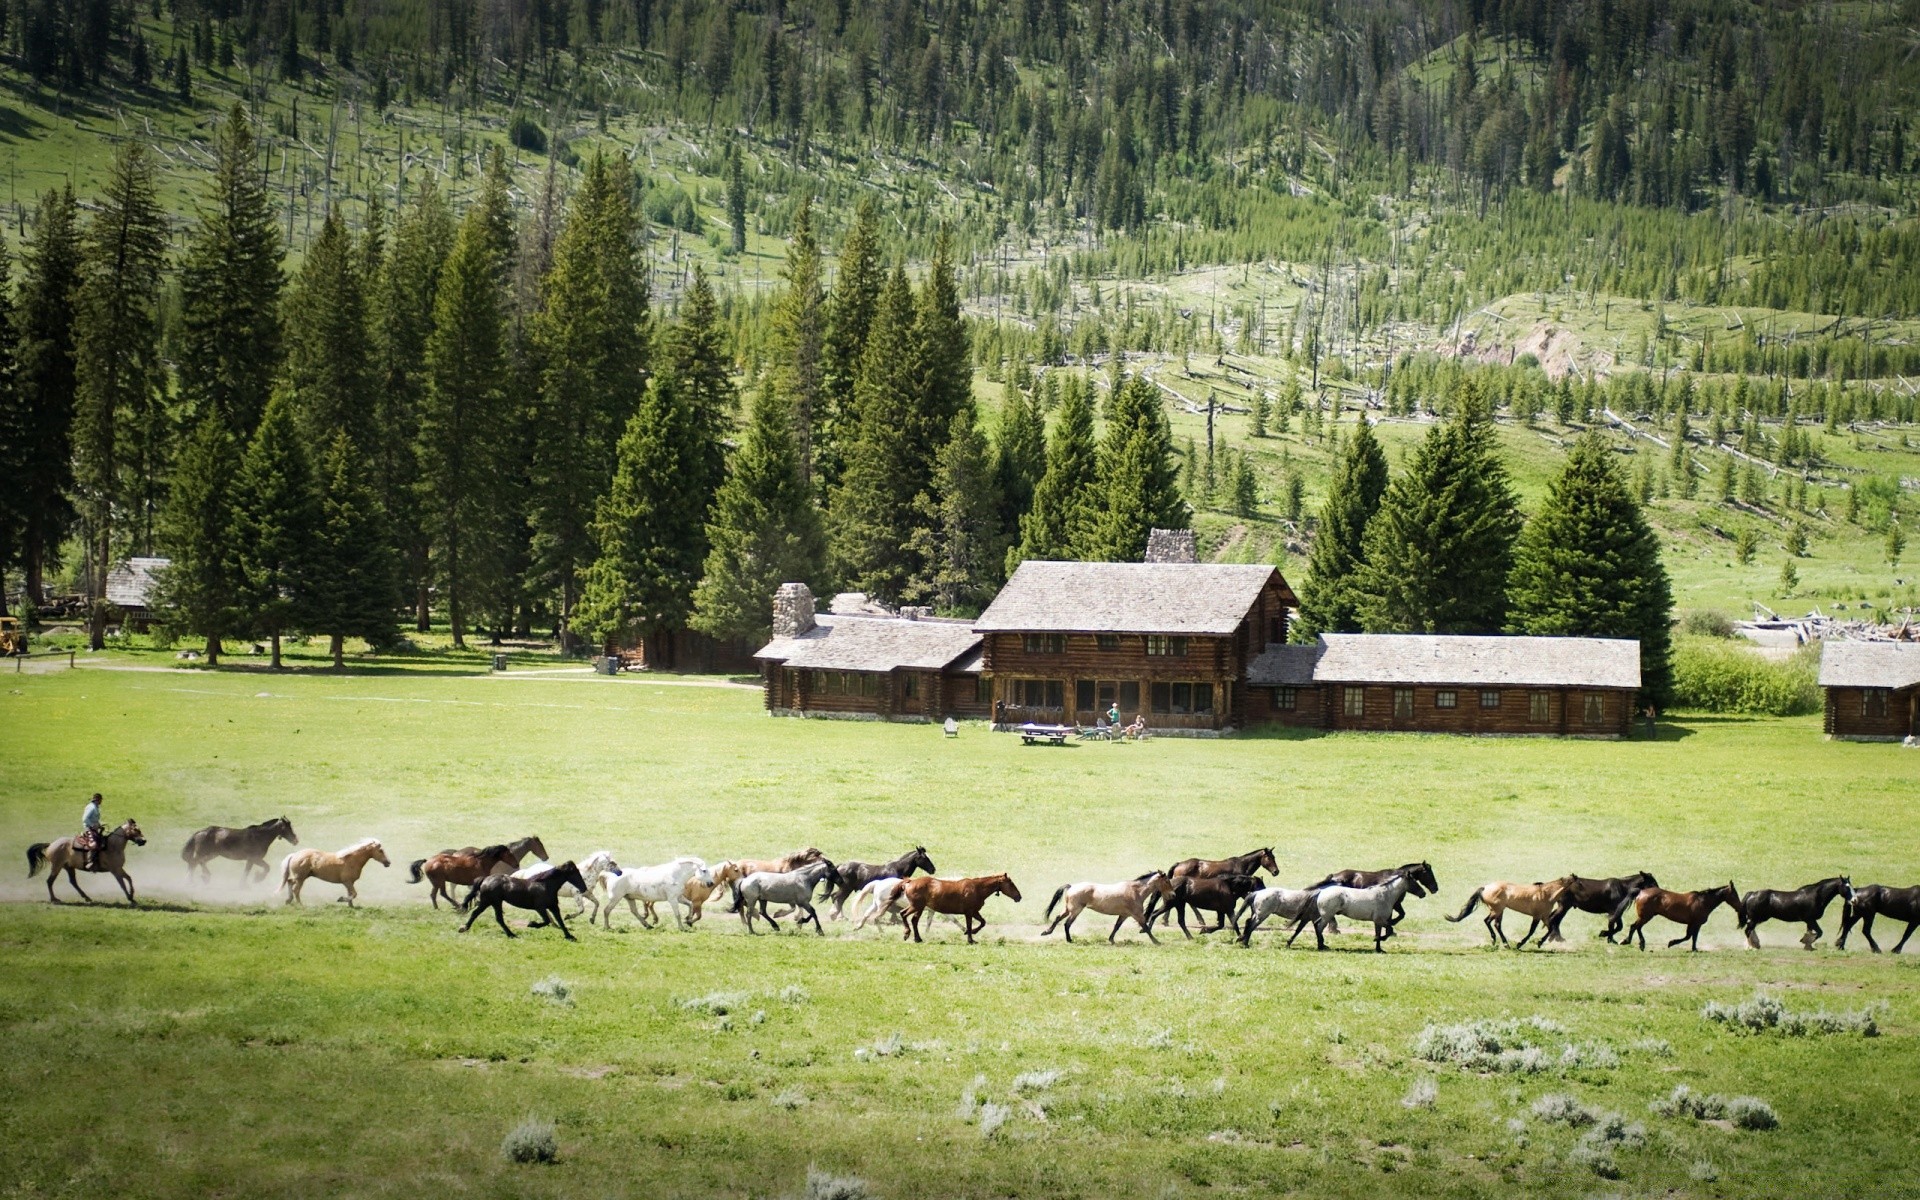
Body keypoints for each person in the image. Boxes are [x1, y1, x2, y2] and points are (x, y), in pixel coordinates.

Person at [79, 792, 104, 871]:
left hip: (94, 828)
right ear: (98, 800)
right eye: (101, 800)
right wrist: (92, 825)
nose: (101, 802)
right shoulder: (91, 807)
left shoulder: (95, 807)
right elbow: (85, 819)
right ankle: (90, 862)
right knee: (94, 844)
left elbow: (95, 819)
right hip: (89, 828)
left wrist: (99, 825)